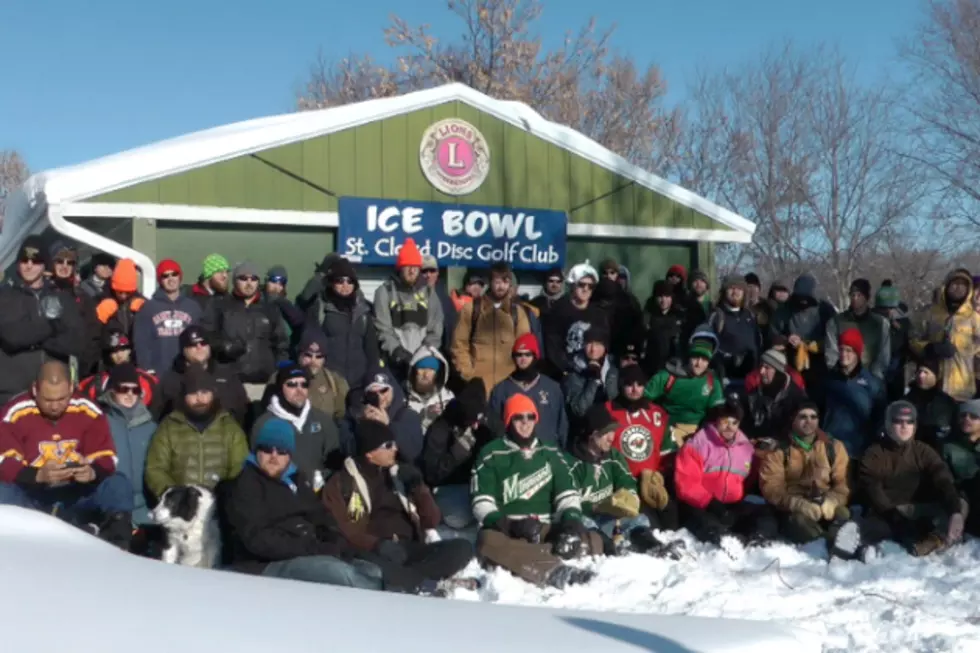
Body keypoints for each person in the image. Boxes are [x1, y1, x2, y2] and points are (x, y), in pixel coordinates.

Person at [224, 418, 385, 590]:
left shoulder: (297, 480)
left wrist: (334, 538)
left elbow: (320, 514)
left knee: (371, 570)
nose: (274, 456)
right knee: (339, 574)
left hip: (304, 553)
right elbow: (257, 539)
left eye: (281, 450)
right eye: (267, 449)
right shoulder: (247, 483)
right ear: (257, 451)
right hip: (264, 565)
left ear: (290, 455)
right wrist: (312, 547)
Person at [322, 419, 474, 593]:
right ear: (369, 453)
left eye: (394, 443)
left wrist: (419, 488)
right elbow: (343, 529)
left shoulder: (399, 474)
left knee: (462, 548)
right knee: (373, 568)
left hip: (408, 548)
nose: (395, 449)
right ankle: (422, 582)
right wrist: (378, 545)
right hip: (373, 552)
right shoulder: (342, 482)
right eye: (388, 445)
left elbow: (431, 521)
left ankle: (412, 581)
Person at [471, 394, 599, 588]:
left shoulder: (551, 452)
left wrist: (571, 521)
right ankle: (554, 570)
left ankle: (530, 557)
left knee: (591, 537)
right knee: (487, 542)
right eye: (518, 417)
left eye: (530, 416)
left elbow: (568, 494)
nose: (525, 422)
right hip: (509, 530)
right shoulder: (491, 453)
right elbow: (482, 502)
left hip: (545, 528)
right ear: (508, 420)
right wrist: (509, 524)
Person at [0, 361, 133, 548]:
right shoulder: (14, 413)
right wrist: (36, 475)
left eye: (62, 399)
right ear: (35, 389)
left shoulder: (88, 410)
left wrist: (92, 472)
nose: (55, 406)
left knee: (118, 484)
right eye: (47, 400)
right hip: (33, 495)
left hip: (75, 493)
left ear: (71, 388)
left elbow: (107, 456)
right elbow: (4, 460)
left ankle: (116, 546)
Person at [833, 401, 965, 560]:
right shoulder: (874, 453)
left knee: (958, 506)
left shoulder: (924, 451)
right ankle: (859, 541)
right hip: (889, 511)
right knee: (880, 526)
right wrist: (895, 517)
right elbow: (872, 489)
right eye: (898, 421)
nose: (904, 426)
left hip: (919, 511)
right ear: (888, 424)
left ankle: (930, 543)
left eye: (909, 421)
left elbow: (943, 479)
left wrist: (956, 512)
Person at [567, 405, 677, 557]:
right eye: (606, 433)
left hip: (610, 515)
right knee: (585, 524)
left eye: (613, 431)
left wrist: (627, 498)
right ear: (592, 435)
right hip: (588, 517)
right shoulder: (571, 463)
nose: (612, 437)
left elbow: (626, 480)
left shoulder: (613, 456)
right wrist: (597, 507)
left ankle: (651, 544)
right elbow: (568, 501)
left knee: (636, 520)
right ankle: (609, 549)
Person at [674, 401, 777, 547]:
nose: (730, 426)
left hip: (732, 506)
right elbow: (686, 485)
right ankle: (726, 541)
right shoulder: (697, 444)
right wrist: (711, 504)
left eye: (734, 422)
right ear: (716, 421)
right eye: (725, 421)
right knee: (709, 526)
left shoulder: (745, 447)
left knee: (765, 515)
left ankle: (758, 540)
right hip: (703, 506)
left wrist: (762, 456)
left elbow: (749, 479)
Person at [0, 235, 84, 403]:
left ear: (45, 264)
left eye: (36, 261)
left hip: (53, 394)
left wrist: (34, 338)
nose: (29, 266)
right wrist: (52, 327)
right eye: (24, 260)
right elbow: (12, 337)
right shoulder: (5, 297)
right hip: (11, 392)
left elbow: (77, 342)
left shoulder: (62, 298)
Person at [144, 368, 250, 501]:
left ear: (213, 394)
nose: (199, 399)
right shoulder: (169, 427)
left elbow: (240, 468)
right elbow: (155, 468)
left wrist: (225, 496)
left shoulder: (230, 428)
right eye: (193, 393)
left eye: (205, 392)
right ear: (184, 396)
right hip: (180, 510)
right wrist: (175, 495)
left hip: (220, 507)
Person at [758, 400, 850, 544]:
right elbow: (771, 488)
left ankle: (844, 543)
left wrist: (833, 500)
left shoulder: (833, 447)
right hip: (792, 508)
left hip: (824, 503)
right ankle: (826, 545)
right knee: (799, 521)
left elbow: (842, 483)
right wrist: (798, 504)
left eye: (813, 417)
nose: (809, 421)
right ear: (792, 420)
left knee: (843, 513)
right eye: (803, 417)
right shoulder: (778, 449)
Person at [420, 379, 501, 527]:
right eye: (471, 422)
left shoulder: (489, 422)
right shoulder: (441, 428)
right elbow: (431, 475)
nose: (476, 425)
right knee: (459, 518)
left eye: (479, 419)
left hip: (485, 485)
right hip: (453, 487)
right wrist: (456, 454)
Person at [604, 365, 676, 531]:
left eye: (639, 384)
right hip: (623, 485)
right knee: (649, 525)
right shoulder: (607, 411)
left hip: (652, 482)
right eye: (629, 384)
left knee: (671, 522)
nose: (635, 389)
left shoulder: (658, 413)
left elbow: (667, 452)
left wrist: (660, 478)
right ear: (621, 385)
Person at [251, 364, 343, 491]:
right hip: (278, 494)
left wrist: (322, 480)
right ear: (280, 388)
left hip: (317, 495)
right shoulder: (264, 424)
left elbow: (334, 462)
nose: (299, 389)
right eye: (292, 384)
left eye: (304, 385)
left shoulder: (323, 420)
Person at [202, 261, 288, 395]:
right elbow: (206, 336)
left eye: (253, 279)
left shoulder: (269, 309)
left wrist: (278, 375)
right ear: (235, 281)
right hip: (229, 381)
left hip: (264, 383)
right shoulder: (219, 306)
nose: (249, 283)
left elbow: (281, 344)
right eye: (243, 278)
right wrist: (224, 346)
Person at [451, 261, 531, 395]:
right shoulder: (471, 310)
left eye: (505, 282)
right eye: (497, 282)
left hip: (509, 386)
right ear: (490, 282)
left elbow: (526, 348)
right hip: (478, 387)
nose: (501, 287)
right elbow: (459, 345)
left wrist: (519, 377)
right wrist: (468, 375)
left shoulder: (517, 313)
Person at [643, 329, 724, 456]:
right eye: (695, 358)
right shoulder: (669, 376)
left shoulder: (712, 382)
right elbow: (643, 398)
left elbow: (717, 412)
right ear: (689, 357)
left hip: (696, 431)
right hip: (667, 429)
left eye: (704, 359)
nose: (699, 364)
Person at [373, 238, 444, 380]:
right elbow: (382, 328)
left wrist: (424, 353)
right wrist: (398, 352)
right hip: (394, 364)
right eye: (407, 266)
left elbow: (435, 329)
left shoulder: (429, 293)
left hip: (422, 363)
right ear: (400, 268)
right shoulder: (385, 291)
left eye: (415, 266)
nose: (412, 271)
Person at [304, 257, 379, 391]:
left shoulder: (364, 310)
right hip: (329, 382)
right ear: (332, 282)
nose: (345, 285)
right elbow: (309, 345)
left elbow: (371, 349)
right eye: (340, 281)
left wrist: (372, 376)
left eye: (349, 281)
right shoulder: (320, 307)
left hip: (359, 383)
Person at [155, 325, 249, 426]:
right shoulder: (171, 380)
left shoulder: (227, 375)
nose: (199, 347)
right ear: (183, 349)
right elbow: (158, 415)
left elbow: (242, 409)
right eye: (193, 344)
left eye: (203, 343)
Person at [99, 363, 157, 526]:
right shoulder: (100, 423)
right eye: (123, 389)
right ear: (111, 391)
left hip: (146, 512)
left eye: (135, 390)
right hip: (111, 511)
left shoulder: (151, 427)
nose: (130, 394)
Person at [910, 268, 980, 403]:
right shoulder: (930, 313)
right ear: (946, 286)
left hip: (962, 388)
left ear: (968, 289)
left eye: (963, 284)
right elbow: (913, 338)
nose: (958, 288)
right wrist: (929, 348)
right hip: (932, 385)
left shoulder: (974, 318)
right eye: (954, 283)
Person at [488, 333, 568, 449]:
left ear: (535, 356)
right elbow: (494, 427)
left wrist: (561, 452)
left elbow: (562, 425)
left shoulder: (552, 387)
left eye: (527, 354)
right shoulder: (501, 389)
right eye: (519, 355)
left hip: (547, 452)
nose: (523, 358)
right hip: (513, 453)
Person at [822, 328, 886, 458]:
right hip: (829, 448)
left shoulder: (873, 384)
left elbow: (880, 419)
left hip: (858, 450)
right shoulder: (828, 380)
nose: (844, 354)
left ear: (857, 353)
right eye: (841, 349)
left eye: (849, 350)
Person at [133, 259, 201, 375]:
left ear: (180, 277)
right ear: (160, 280)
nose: (171, 279)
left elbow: (201, 341)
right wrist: (146, 368)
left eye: (174, 274)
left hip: (188, 372)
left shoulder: (193, 307)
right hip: (159, 373)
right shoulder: (149, 308)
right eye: (165, 276)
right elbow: (141, 342)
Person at [541, 261, 606, 378]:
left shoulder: (598, 314)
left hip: (591, 373)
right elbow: (552, 346)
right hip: (562, 375)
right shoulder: (558, 310)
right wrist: (565, 369)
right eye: (581, 284)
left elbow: (604, 342)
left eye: (590, 286)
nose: (586, 289)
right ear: (572, 285)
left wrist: (596, 364)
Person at [345, 368, 423, 464]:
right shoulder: (358, 415)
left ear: (392, 389)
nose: (380, 397)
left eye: (384, 390)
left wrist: (389, 425)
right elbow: (347, 449)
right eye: (373, 394)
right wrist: (362, 424)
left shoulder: (409, 416)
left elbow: (413, 453)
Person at [47, 241, 101, 377]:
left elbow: (94, 335)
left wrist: (85, 364)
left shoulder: (83, 297)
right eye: (59, 261)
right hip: (46, 366)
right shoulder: (43, 294)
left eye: (69, 262)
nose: (64, 266)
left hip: (76, 368)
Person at [825, 279, 891, 381]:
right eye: (852, 295)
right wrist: (840, 374)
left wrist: (873, 378)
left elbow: (883, 356)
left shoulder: (880, 323)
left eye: (859, 295)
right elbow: (831, 353)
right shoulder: (836, 322)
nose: (855, 298)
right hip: (842, 378)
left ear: (866, 298)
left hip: (871, 378)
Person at [78, 329, 160, 410]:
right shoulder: (94, 383)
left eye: (123, 350)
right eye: (115, 351)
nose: (119, 355)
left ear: (129, 351)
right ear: (108, 355)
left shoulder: (148, 380)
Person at [739, 349, 806, 440]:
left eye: (767, 368)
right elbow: (745, 427)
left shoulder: (797, 397)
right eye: (761, 367)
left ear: (779, 372)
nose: (761, 371)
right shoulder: (753, 395)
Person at [707, 275, 763, 383]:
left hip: (750, 378)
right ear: (724, 292)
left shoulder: (750, 316)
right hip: (726, 379)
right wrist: (727, 358)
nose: (735, 292)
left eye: (739, 289)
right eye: (731, 288)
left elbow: (758, 343)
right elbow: (708, 347)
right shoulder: (716, 316)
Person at [563, 325, 619, 424]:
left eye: (598, 344)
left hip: (611, 425)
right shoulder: (574, 373)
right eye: (589, 344)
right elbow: (579, 410)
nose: (593, 350)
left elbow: (617, 405)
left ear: (605, 347)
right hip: (585, 427)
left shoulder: (613, 371)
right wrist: (593, 381)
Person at [941, 399, 980, 535]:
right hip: (961, 499)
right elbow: (944, 478)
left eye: (974, 417)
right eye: (963, 415)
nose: (967, 419)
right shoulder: (948, 447)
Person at [296, 329, 350, 425]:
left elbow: (341, 415)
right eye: (308, 355)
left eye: (318, 356)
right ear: (300, 355)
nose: (313, 361)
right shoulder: (282, 378)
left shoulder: (335, 381)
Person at [905, 356, 958, 450]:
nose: (921, 375)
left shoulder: (947, 402)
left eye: (926, 372)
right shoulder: (906, 400)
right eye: (919, 371)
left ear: (936, 376)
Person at [405, 346, 455, 433]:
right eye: (422, 368)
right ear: (414, 371)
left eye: (431, 369)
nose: (426, 374)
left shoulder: (448, 400)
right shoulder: (402, 397)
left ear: (437, 373)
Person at [642, 280, 685, 378]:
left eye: (667, 296)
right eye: (660, 296)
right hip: (653, 366)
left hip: (674, 366)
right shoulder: (647, 316)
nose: (663, 300)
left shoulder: (679, 315)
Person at [94, 259, 146, 338]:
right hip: (108, 348)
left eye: (128, 292)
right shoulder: (100, 300)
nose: (123, 296)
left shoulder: (141, 302)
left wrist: (146, 310)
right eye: (120, 292)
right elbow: (89, 332)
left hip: (134, 348)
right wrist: (97, 318)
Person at [263, 265, 306, 344]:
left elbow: (299, 321)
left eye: (281, 284)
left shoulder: (284, 303)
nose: (277, 287)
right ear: (266, 281)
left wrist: (280, 301)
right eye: (273, 281)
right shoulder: (257, 299)